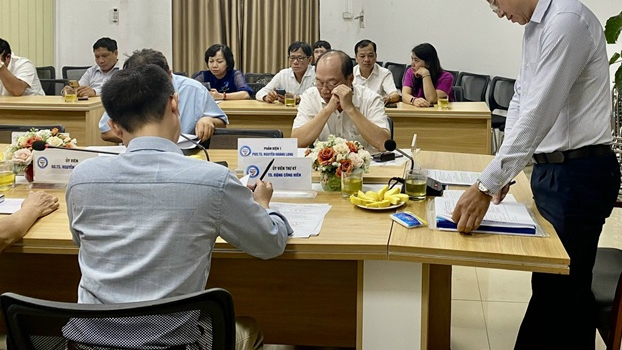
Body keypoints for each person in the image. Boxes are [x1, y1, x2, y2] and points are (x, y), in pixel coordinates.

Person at [452, 0, 620, 349]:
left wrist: (487, 184)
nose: (499, 13)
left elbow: (540, 112)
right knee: (558, 287)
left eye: (495, 1)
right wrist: (503, 172)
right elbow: (520, 101)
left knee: (559, 291)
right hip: (554, 172)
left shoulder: (566, 22)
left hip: (580, 173)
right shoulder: (536, 28)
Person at [66, 63, 292, 350]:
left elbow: (81, 240)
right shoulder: (213, 180)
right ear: (174, 103)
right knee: (249, 328)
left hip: (85, 342)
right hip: (172, 345)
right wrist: (263, 205)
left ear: (113, 126)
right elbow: (270, 243)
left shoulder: (82, 177)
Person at [98, 49, 228, 144]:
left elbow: (222, 122)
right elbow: (106, 131)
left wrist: (208, 120)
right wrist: (143, 137)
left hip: (186, 155)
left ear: (169, 75)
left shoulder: (194, 89)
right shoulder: (126, 90)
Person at [292, 50, 389, 152]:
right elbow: (297, 143)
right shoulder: (310, 96)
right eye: (319, 82)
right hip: (324, 161)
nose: (324, 90)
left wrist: (350, 109)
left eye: (332, 83)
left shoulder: (370, 98)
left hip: (365, 161)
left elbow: (383, 144)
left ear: (350, 79)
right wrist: (328, 109)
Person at [400, 43, 453, 107]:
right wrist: (414, 100)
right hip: (417, 111)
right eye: (412, 59)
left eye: (416, 60)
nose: (412, 64)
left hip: (440, 112)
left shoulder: (446, 77)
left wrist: (425, 74)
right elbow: (404, 95)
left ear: (428, 63)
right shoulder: (411, 72)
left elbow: (432, 100)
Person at [353, 39, 400, 104]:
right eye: (362, 56)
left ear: (375, 56)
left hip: (377, 108)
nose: (366, 60)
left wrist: (388, 98)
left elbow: (395, 95)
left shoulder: (384, 73)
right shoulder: (349, 73)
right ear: (356, 58)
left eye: (370, 56)